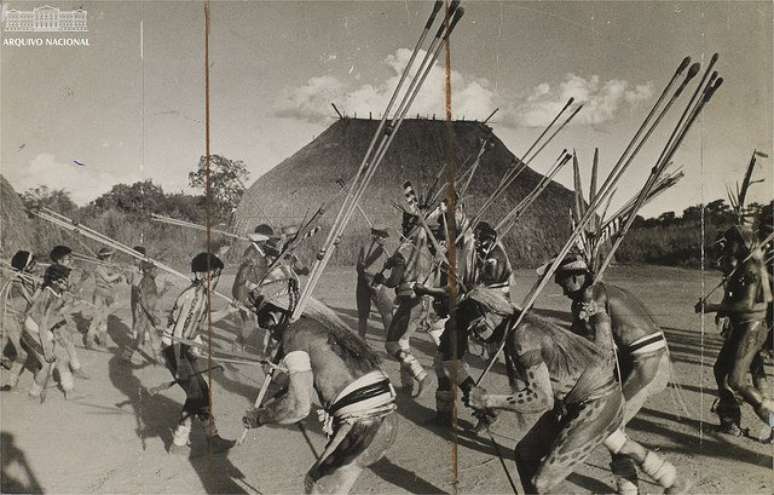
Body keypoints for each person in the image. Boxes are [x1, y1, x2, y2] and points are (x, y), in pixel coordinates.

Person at [461, 288, 687, 494]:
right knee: (525, 454)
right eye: (472, 332)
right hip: (577, 403)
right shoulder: (523, 329)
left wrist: (488, 400)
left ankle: (660, 481)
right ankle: (670, 479)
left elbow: (540, 399)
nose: (477, 337)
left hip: (596, 404)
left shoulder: (522, 336)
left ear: (493, 313)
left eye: (479, 327)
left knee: (542, 482)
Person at [242, 287, 397, 495]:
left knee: (318, 487)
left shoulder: (294, 333)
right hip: (385, 420)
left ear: (277, 314)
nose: (270, 333)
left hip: (364, 425)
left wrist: (260, 417)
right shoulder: (321, 325)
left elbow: (297, 408)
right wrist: (278, 376)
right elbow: (321, 372)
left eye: (267, 325)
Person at [548, 252, 673, 493]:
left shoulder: (592, 295)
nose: (560, 288)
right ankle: (636, 485)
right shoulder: (594, 293)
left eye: (560, 280)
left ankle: (662, 479)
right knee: (610, 424)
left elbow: (602, 349)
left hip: (647, 364)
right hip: (640, 360)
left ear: (575, 277)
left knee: (608, 424)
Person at [697, 225, 773, 438]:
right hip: (742, 328)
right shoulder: (742, 267)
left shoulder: (751, 269)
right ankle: (730, 421)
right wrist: (721, 309)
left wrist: (713, 307)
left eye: (731, 242)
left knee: (737, 380)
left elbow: (746, 305)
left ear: (743, 243)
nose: (728, 246)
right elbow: (734, 299)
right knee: (720, 370)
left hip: (752, 329)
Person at [164, 252, 238, 455]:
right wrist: (180, 362)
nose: (213, 280)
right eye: (210, 276)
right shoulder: (194, 296)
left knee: (203, 393)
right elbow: (179, 332)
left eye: (215, 276)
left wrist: (228, 311)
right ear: (197, 275)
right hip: (175, 347)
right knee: (196, 395)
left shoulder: (201, 295)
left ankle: (212, 438)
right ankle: (178, 442)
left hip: (183, 347)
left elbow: (202, 320)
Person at [376, 211, 433, 397]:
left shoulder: (404, 251)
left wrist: (382, 278)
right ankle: (407, 384)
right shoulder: (425, 250)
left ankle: (421, 375)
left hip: (410, 301)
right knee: (403, 342)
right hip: (422, 302)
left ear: (407, 228)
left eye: (404, 226)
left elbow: (394, 282)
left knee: (392, 345)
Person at [22, 264, 77, 400]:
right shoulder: (47, 294)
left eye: (66, 279)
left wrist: (69, 304)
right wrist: (46, 348)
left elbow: (56, 313)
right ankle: (33, 394)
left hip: (45, 330)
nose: (66, 282)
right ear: (54, 281)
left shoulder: (58, 291)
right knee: (47, 363)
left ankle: (69, 388)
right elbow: (42, 324)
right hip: (32, 330)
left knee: (63, 358)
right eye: (63, 280)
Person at [48, 246, 89, 380]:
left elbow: (71, 291)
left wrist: (82, 280)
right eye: (68, 258)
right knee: (56, 345)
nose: (71, 260)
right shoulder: (53, 273)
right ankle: (50, 374)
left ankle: (76, 368)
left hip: (59, 313)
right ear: (60, 260)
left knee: (68, 340)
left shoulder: (66, 272)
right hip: (51, 314)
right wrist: (69, 300)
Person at [1, 251, 39, 391]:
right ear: (26, 267)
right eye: (33, 264)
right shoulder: (17, 280)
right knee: (22, 351)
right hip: (11, 318)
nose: (36, 266)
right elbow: (32, 300)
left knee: (31, 349)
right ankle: (11, 382)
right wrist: (41, 288)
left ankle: (37, 376)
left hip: (23, 318)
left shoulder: (30, 278)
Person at [232, 223, 273, 352]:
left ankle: (242, 344)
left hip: (253, 292)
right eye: (268, 239)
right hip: (244, 291)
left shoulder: (260, 252)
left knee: (260, 320)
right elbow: (242, 276)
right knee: (250, 322)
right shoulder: (252, 253)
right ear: (262, 239)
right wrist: (241, 298)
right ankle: (238, 345)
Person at [121, 261, 163, 364]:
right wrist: (152, 316)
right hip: (145, 314)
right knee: (139, 337)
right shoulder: (146, 282)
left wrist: (165, 290)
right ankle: (125, 357)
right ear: (147, 271)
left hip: (149, 313)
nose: (156, 272)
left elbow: (155, 297)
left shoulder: (151, 281)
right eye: (154, 270)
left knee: (154, 335)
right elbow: (143, 301)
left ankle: (158, 359)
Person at [355, 225, 393, 339]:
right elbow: (363, 267)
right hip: (373, 281)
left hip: (363, 281)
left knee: (363, 315)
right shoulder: (376, 248)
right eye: (383, 236)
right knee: (387, 310)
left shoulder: (369, 246)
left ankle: (361, 338)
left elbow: (359, 268)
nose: (385, 238)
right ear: (377, 235)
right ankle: (390, 339)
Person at [86, 247, 124, 349]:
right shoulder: (98, 268)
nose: (111, 259)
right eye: (110, 257)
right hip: (99, 293)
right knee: (96, 317)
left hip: (108, 293)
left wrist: (118, 278)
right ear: (106, 258)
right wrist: (118, 274)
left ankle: (102, 341)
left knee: (104, 318)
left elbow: (112, 280)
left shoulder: (108, 268)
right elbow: (107, 279)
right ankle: (89, 340)